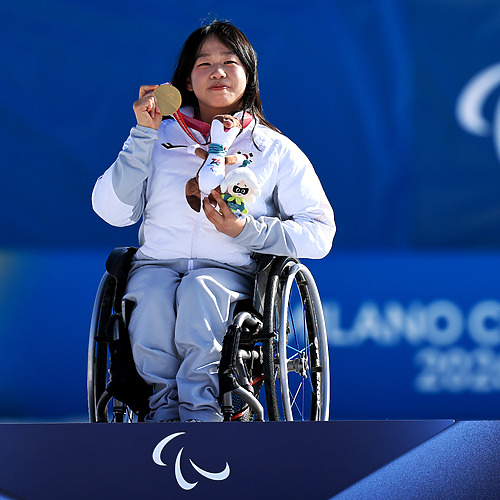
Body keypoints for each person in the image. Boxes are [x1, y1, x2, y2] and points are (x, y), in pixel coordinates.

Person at [92, 20, 336, 422]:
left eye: (229, 62)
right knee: (150, 297)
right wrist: (142, 135)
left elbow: (320, 233)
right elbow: (111, 211)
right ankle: (161, 413)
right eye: (204, 63)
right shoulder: (157, 137)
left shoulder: (274, 149)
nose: (217, 71)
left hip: (229, 274)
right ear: (187, 82)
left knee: (199, 290)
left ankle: (202, 413)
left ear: (249, 74)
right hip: (155, 266)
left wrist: (247, 231)